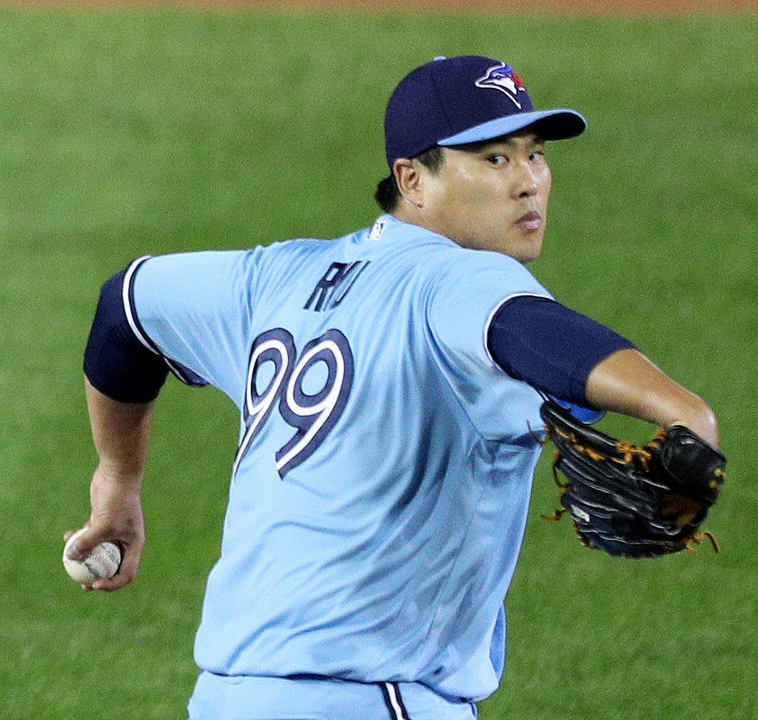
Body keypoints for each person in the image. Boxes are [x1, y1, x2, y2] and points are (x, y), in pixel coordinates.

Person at [67, 55, 719, 720]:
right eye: (494, 159)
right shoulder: (463, 279)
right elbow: (536, 334)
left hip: (230, 695)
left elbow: (123, 308)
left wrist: (117, 480)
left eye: (535, 154)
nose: (529, 183)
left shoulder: (275, 278)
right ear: (413, 179)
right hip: (370, 698)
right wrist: (682, 411)